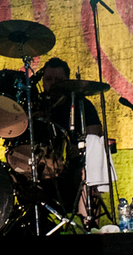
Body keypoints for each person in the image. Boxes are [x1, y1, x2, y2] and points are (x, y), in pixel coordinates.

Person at [37, 57, 103, 219]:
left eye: (58, 80)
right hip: (38, 167)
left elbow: (95, 137)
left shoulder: (83, 105)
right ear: (43, 81)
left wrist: (80, 149)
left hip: (72, 166)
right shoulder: (35, 105)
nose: (53, 84)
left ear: (67, 81)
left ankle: (88, 225)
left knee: (90, 173)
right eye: (48, 79)